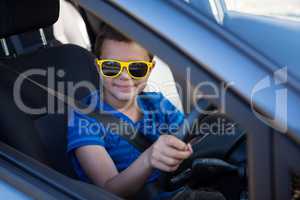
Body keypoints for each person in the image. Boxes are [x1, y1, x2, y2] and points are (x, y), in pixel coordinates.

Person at [67, 25, 193, 199]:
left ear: (150, 69)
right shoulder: (85, 119)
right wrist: (149, 158)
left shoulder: (157, 103)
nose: (125, 77)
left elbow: (192, 137)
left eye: (136, 69)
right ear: (98, 67)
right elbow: (109, 191)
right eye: (111, 67)